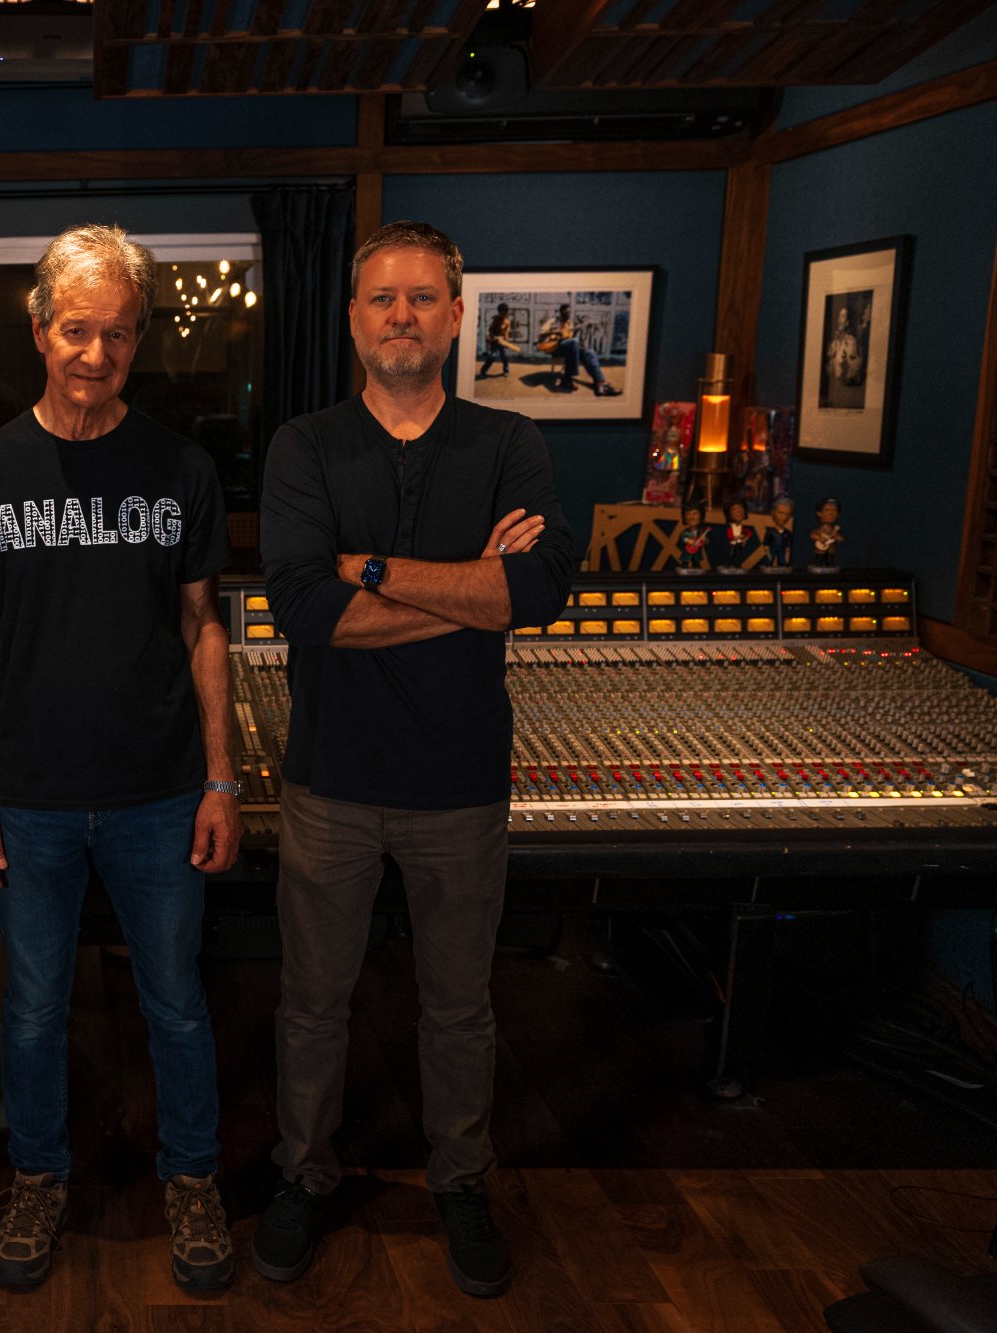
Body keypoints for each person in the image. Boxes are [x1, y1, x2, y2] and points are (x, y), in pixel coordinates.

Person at [254, 220, 573, 1300]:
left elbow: (531, 596)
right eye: (381, 298)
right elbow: (305, 610)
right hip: (329, 778)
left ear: (452, 315)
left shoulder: (508, 444)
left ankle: (460, 1183)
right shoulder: (303, 446)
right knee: (311, 1001)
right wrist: (462, 592)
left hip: (459, 783)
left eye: (421, 297)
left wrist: (374, 568)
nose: (400, 314)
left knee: (459, 1005)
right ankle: (301, 1173)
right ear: (351, 318)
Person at [0, 224, 240, 1292]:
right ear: (38, 329)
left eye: (116, 334)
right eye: (76, 330)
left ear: (139, 337)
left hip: (160, 792)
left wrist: (219, 779)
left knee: (176, 1002)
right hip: (28, 795)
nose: (95, 353)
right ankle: (37, 1176)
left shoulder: (180, 465)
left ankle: (191, 1178)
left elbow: (205, 627)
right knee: (27, 1006)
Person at [540, 303, 620, 397]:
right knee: (574, 342)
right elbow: (541, 334)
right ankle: (568, 378)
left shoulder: (570, 324)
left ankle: (600, 383)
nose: (568, 314)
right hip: (554, 347)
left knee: (589, 352)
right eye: (565, 312)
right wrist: (554, 331)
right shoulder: (553, 321)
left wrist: (577, 331)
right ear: (561, 313)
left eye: (569, 312)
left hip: (569, 348)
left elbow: (570, 340)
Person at [708, 499, 759, 572]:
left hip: (739, 545)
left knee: (737, 555)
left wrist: (745, 539)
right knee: (730, 555)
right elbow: (729, 536)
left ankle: (736, 564)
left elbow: (749, 533)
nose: (739, 511)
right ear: (728, 513)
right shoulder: (727, 529)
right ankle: (728, 564)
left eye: (741, 508)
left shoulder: (742, 528)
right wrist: (737, 537)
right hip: (731, 545)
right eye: (735, 509)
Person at [476, 302, 516, 378]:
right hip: (494, 341)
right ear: (499, 312)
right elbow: (490, 330)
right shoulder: (495, 319)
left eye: (505, 313)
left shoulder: (507, 322)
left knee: (504, 356)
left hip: (502, 342)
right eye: (502, 312)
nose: (504, 314)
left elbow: (506, 333)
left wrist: (506, 341)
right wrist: (494, 337)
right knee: (493, 356)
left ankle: (506, 370)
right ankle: (483, 371)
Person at [762, 497, 796, 571]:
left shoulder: (787, 533)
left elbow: (788, 546)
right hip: (772, 549)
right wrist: (767, 549)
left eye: (788, 514)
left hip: (782, 550)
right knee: (770, 560)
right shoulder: (770, 531)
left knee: (781, 560)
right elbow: (766, 543)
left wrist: (787, 552)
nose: (784, 517)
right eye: (780, 513)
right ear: (773, 513)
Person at [811, 497, 843, 570]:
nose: (831, 513)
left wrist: (837, 537)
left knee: (830, 559)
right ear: (819, 513)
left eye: (834, 510)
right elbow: (812, 535)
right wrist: (820, 538)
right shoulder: (821, 529)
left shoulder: (833, 529)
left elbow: (840, 538)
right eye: (827, 510)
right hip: (821, 548)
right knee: (819, 559)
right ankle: (818, 565)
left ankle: (830, 565)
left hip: (830, 549)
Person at [677, 501, 710, 573]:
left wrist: (705, 540)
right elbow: (682, 538)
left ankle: (696, 565)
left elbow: (705, 542)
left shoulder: (701, 532)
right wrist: (688, 541)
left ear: (701, 516)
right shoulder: (685, 532)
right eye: (688, 514)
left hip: (696, 551)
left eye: (695, 514)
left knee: (696, 559)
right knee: (685, 559)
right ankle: (684, 565)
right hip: (687, 550)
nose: (691, 517)